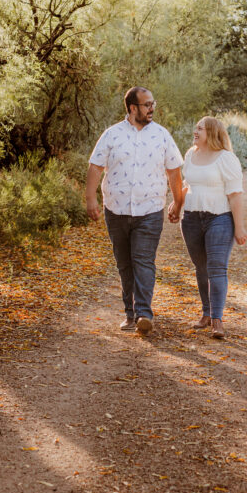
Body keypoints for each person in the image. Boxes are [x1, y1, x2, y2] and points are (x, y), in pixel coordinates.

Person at [86, 87, 183, 334]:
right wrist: (90, 199)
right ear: (132, 108)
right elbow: (96, 166)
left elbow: (174, 170)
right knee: (124, 263)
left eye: (153, 103)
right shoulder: (112, 135)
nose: (152, 108)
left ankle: (143, 313)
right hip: (116, 210)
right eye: (147, 104)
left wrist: (178, 202)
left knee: (143, 261)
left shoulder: (162, 135)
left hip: (149, 210)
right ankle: (130, 316)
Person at [169, 117, 247, 339]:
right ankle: (206, 313)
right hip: (191, 218)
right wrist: (176, 205)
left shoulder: (226, 159)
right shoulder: (190, 155)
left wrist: (239, 228)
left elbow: (235, 195)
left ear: (211, 132)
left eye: (200, 128)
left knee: (217, 268)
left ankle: (217, 320)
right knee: (201, 268)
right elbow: (187, 186)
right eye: (196, 127)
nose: (195, 131)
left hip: (220, 219)